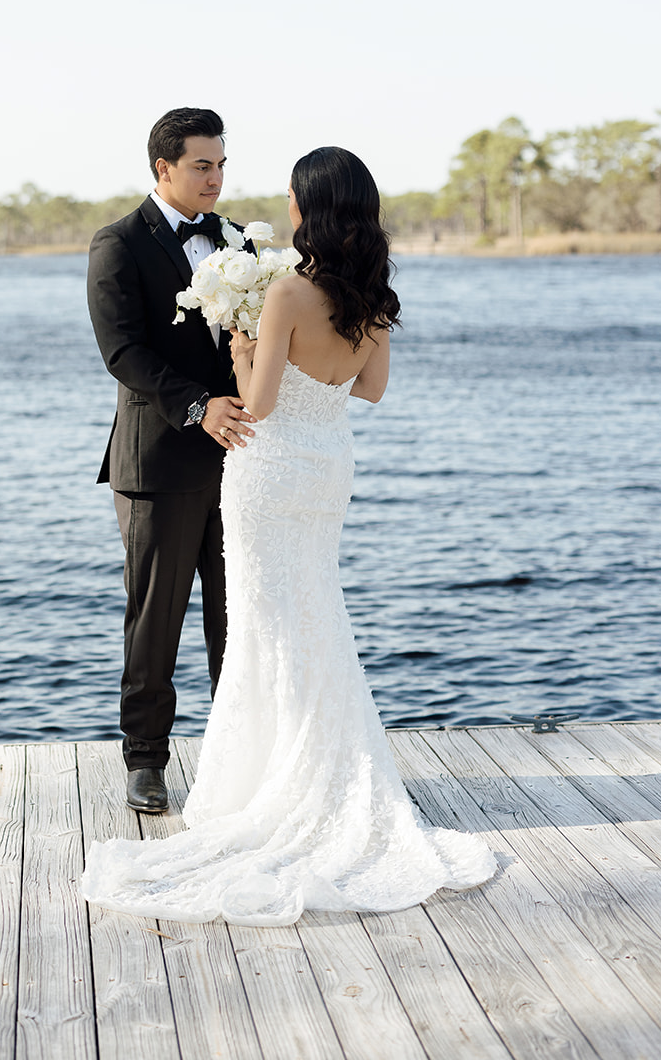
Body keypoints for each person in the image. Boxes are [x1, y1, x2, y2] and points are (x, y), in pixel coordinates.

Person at [82, 146, 497, 922]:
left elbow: (259, 404)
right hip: (328, 470)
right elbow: (370, 389)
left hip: (267, 475)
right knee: (312, 612)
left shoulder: (285, 293)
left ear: (308, 208)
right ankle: (320, 764)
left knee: (264, 624)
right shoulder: (372, 294)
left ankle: (267, 780)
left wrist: (242, 353)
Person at [87, 107, 255, 814]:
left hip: (242, 460)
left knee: (237, 615)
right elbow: (122, 353)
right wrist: (198, 404)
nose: (215, 177)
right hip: (157, 462)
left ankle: (236, 758)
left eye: (220, 164)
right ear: (163, 168)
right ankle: (145, 761)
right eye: (201, 165)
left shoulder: (243, 240)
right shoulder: (118, 244)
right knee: (155, 618)